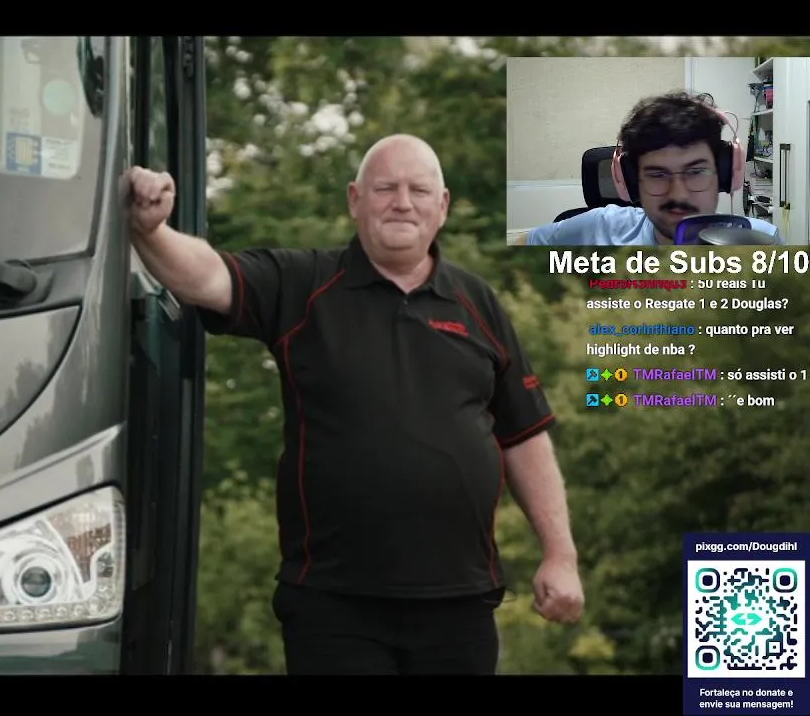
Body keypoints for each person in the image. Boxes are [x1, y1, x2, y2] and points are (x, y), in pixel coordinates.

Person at [126, 134, 584, 675]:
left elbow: (524, 435)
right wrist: (150, 229)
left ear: (442, 206)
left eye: (419, 190)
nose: (402, 202)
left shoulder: (477, 302)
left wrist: (560, 555)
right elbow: (206, 276)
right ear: (354, 200)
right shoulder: (304, 285)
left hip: (460, 605)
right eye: (385, 188)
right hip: (335, 605)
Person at [522, 91, 781, 246]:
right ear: (632, 182)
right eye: (657, 174)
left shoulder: (761, 240)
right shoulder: (600, 228)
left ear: (724, 175)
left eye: (695, 171)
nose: (678, 194)